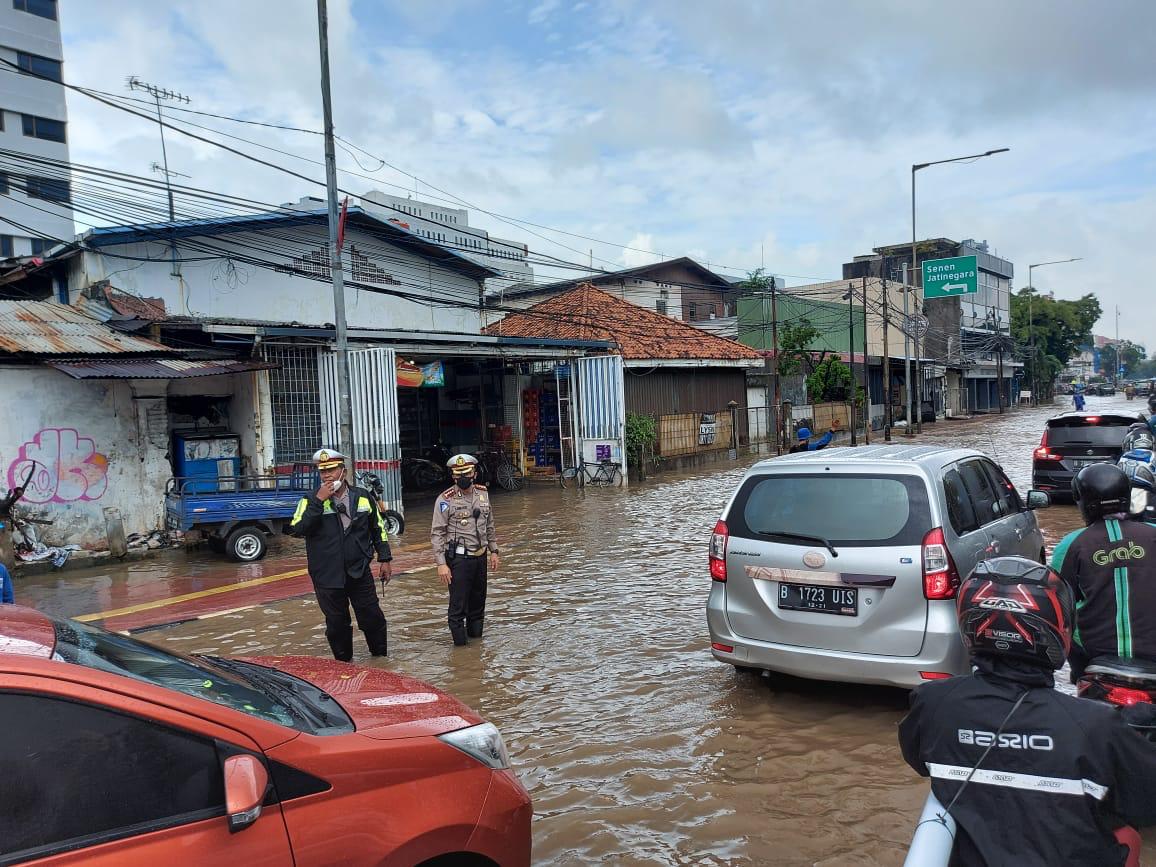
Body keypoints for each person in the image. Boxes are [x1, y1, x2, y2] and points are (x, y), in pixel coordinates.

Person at [899, 556, 1156, 867]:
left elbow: (920, 760)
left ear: (969, 622)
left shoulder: (932, 703)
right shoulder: (1097, 725)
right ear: (1057, 628)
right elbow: (1145, 803)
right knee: (1128, 837)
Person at [1051, 463, 1156, 680]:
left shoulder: (1071, 544)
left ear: (1082, 502)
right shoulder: (1152, 534)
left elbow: (1057, 605)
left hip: (1093, 659)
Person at [288, 448, 391, 661]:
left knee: (372, 618)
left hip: (359, 571)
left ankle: (381, 661)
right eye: (322, 471)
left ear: (343, 471)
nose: (327, 475)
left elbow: (378, 528)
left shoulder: (363, 497)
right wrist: (318, 501)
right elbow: (298, 529)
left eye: (332, 470)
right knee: (337, 624)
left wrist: (385, 558)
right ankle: (344, 665)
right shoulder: (309, 501)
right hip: (327, 576)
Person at [430, 454, 499, 646]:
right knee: (458, 608)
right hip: (459, 560)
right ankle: (460, 652)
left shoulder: (483, 494)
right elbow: (437, 534)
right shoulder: (445, 500)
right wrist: (441, 564)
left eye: (467, 473)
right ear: (453, 476)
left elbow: (490, 525)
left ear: (474, 473)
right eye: (458, 474)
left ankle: (475, 650)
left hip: (480, 558)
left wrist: (494, 550)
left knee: (478, 604)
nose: (463, 477)